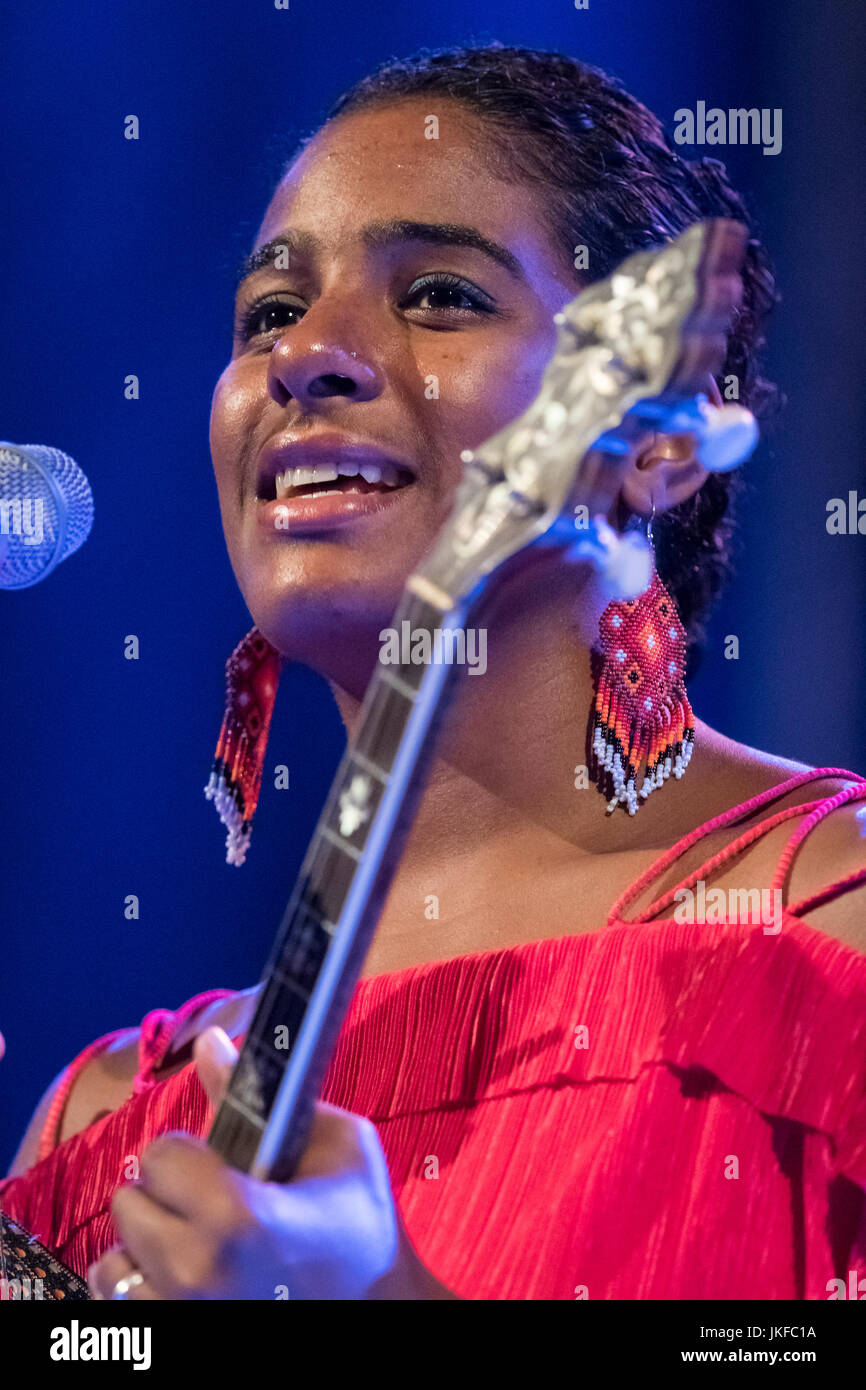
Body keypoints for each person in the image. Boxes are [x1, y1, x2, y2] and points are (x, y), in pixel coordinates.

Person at [2, 43, 865, 1302]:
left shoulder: (823, 940)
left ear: (659, 444)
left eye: (440, 295)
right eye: (268, 313)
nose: (308, 354)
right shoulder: (101, 1129)